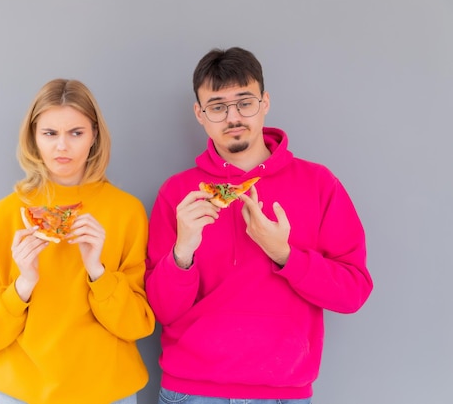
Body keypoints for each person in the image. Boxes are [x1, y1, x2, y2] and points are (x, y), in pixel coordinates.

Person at [145, 47, 373, 403]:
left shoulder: (319, 183)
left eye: (245, 102)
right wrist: (182, 252)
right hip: (191, 392)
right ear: (200, 114)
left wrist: (284, 254)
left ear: (265, 102)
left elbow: (353, 293)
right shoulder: (177, 193)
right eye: (217, 107)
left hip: (283, 393)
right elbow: (161, 311)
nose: (232, 117)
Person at [0, 78, 155, 404]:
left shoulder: (127, 212)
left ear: (95, 135)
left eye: (76, 133)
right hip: (23, 395)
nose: (62, 147)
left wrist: (98, 271)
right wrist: (23, 284)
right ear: (34, 138)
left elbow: (137, 325)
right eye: (50, 133)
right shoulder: (5, 214)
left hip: (109, 394)